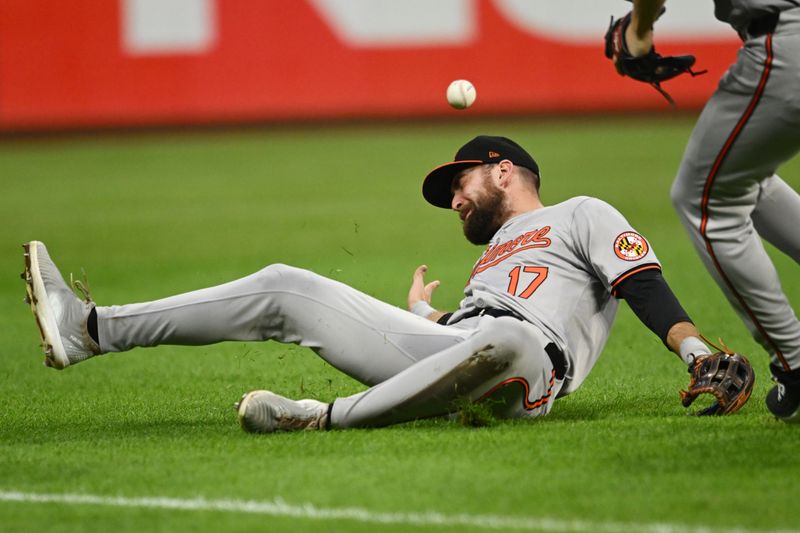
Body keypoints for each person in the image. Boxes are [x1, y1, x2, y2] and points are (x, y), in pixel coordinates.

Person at [22, 135, 739, 432]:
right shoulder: (489, 261)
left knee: (507, 336)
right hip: (460, 345)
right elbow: (471, 330)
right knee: (284, 284)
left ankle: (318, 414)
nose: (454, 201)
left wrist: (695, 352)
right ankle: (88, 327)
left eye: (457, 184)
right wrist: (426, 317)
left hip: (530, 366)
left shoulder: (582, 213)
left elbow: (641, 279)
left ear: (502, 170)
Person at [614, 0, 800, 422]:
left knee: (706, 200)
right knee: (740, 176)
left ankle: (795, 363)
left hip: (785, 42)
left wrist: (638, 30)